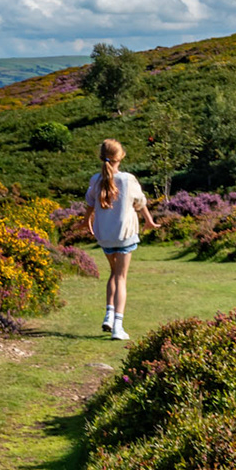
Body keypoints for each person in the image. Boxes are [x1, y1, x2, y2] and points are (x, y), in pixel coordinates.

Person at [83, 138, 154, 341]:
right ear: (120, 156)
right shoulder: (128, 179)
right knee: (121, 278)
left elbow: (90, 203)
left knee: (113, 273)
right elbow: (140, 202)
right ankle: (118, 327)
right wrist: (149, 220)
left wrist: (86, 221)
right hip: (124, 235)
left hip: (105, 236)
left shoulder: (96, 179)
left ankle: (108, 315)